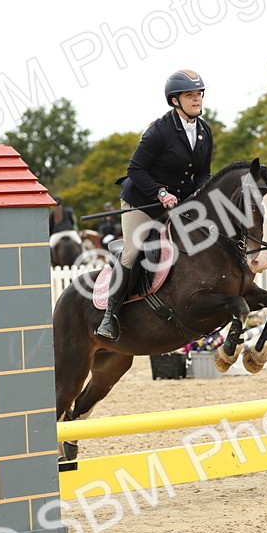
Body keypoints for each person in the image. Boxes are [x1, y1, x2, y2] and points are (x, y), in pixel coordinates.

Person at [96, 69, 214, 341]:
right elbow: (135, 169)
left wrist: (197, 193)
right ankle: (109, 316)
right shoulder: (159, 131)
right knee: (133, 250)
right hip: (142, 201)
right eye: (190, 95)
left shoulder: (204, 132)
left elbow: (204, 173)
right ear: (175, 101)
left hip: (178, 203)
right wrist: (160, 193)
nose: (197, 100)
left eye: (199, 94)